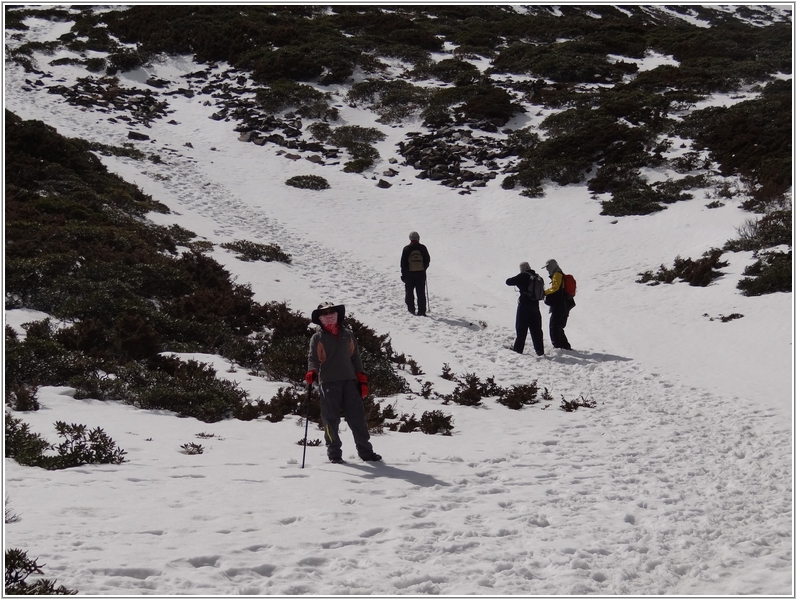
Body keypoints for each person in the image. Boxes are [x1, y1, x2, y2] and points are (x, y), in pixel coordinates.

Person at [305, 302, 382, 464]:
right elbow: (312, 358)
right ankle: (334, 454)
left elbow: (355, 357)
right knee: (330, 419)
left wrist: (361, 379)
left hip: (349, 381)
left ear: (338, 314)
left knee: (357, 418)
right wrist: (312, 371)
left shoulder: (348, 334)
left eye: (332, 312)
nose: (329, 316)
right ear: (319, 318)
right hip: (328, 382)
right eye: (324, 314)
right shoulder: (317, 338)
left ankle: (366, 452)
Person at [505, 262, 545, 356]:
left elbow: (508, 281)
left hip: (524, 306)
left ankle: (518, 350)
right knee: (536, 330)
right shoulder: (538, 277)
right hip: (535, 306)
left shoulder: (523, 276)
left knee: (521, 328)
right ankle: (540, 351)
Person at [542, 259, 574, 350]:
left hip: (559, 304)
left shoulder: (557, 274)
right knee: (558, 325)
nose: (547, 269)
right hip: (563, 304)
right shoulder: (559, 273)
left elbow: (555, 288)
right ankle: (564, 345)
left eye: (548, 267)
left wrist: (545, 292)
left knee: (554, 325)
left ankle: (558, 345)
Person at [400, 231, 431, 316]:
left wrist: (404, 275)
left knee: (409, 292)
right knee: (420, 292)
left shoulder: (406, 249)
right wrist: (423, 269)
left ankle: (411, 309)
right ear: (418, 238)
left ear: (410, 239)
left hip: (409, 274)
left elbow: (403, 263)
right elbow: (427, 260)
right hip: (421, 274)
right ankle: (421, 311)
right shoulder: (422, 248)